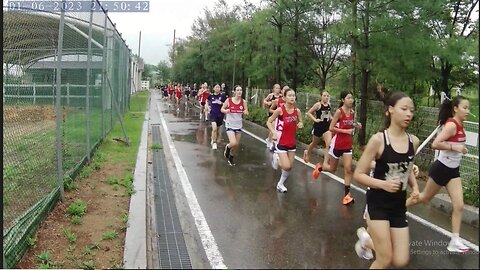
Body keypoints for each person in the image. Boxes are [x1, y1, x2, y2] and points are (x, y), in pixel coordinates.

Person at [353, 91, 420, 268]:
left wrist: (415, 187)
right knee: (384, 259)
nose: (408, 114)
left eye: (411, 110)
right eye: (404, 109)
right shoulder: (378, 140)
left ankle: (367, 241)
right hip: (378, 204)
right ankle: (369, 241)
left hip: (398, 205)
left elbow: (407, 168)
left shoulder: (413, 141)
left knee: (401, 260)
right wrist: (383, 184)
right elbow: (358, 174)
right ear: (390, 110)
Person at [406, 95, 471, 253]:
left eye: (468, 108)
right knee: (423, 198)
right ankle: (395, 209)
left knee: (459, 205)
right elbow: (435, 144)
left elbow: (456, 144)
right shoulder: (451, 125)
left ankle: (454, 240)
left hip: (453, 171)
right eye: (465, 107)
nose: (468, 111)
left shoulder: (461, 125)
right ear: (455, 108)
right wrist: (455, 148)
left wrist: (461, 149)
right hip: (441, 168)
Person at [312, 90, 362, 205]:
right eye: (348, 98)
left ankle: (346, 196)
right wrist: (346, 131)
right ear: (343, 100)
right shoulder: (339, 112)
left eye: (352, 98)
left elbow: (349, 123)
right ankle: (320, 168)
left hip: (347, 144)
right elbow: (331, 128)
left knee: (348, 169)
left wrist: (356, 125)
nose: (351, 100)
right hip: (337, 143)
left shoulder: (352, 112)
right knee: (332, 169)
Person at [266, 87, 304, 193]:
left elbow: (300, 123)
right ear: (285, 97)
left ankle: (280, 184)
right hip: (281, 141)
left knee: (290, 167)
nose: (292, 97)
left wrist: (300, 124)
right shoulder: (280, 110)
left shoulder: (297, 111)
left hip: (292, 142)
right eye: (290, 95)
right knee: (286, 166)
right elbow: (269, 122)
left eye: (293, 96)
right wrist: (273, 132)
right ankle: (276, 157)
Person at [221, 85, 249, 166]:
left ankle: (231, 158)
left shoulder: (243, 102)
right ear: (234, 92)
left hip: (238, 125)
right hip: (230, 124)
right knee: (233, 142)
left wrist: (245, 112)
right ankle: (227, 147)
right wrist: (227, 110)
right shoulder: (229, 100)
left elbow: (246, 111)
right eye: (238, 90)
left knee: (236, 145)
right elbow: (222, 109)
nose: (239, 92)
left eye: (241, 90)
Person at [303, 90, 332, 164]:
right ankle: (307, 152)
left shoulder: (329, 105)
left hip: (326, 127)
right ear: (321, 96)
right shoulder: (318, 105)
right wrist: (315, 120)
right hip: (318, 127)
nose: (326, 97)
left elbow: (329, 115)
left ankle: (326, 161)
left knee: (328, 144)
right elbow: (309, 113)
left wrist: (333, 120)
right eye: (324, 96)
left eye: (327, 96)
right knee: (314, 143)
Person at [205, 83, 227, 150]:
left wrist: (221, 103)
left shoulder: (222, 96)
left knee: (218, 132)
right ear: (213, 88)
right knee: (214, 128)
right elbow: (206, 100)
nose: (218, 88)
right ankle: (214, 142)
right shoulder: (211, 96)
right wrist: (207, 107)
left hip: (220, 115)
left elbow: (227, 104)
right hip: (213, 114)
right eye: (216, 87)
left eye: (218, 87)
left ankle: (213, 138)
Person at [263, 84, 282, 150]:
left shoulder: (281, 96)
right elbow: (264, 100)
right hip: (272, 113)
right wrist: (267, 103)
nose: (278, 90)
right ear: (273, 89)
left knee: (275, 129)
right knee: (272, 129)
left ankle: (269, 139)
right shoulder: (271, 95)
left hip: (279, 114)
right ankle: (270, 142)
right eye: (276, 88)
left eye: (279, 88)